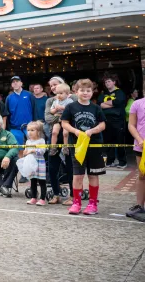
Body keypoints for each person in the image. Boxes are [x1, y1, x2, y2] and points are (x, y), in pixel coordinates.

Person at [61, 78, 106, 215]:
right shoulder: (71, 107)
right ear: (76, 91)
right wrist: (75, 131)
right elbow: (64, 123)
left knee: (93, 174)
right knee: (78, 175)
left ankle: (93, 204)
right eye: (82, 90)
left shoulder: (96, 108)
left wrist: (92, 131)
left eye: (88, 90)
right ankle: (77, 203)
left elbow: (103, 124)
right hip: (78, 146)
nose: (85, 93)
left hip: (95, 145)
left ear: (92, 92)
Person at [45, 76, 75, 205]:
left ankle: (73, 195)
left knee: (70, 166)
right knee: (52, 167)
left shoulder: (72, 98)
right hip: (54, 134)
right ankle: (56, 194)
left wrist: (61, 117)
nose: (53, 87)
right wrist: (63, 118)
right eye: (51, 86)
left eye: (55, 84)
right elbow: (48, 118)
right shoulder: (50, 100)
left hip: (69, 135)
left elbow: (74, 115)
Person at [99, 75, 127, 169]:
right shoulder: (104, 93)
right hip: (106, 121)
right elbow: (100, 104)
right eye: (106, 82)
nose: (107, 83)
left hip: (118, 121)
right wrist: (112, 104)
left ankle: (122, 162)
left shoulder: (120, 92)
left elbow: (118, 102)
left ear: (114, 82)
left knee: (119, 141)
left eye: (109, 81)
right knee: (108, 142)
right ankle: (110, 161)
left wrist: (107, 103)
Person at [126, 93, 145, 221]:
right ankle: (140, 205)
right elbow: (131, 125)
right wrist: (139, 139)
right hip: (141, 146)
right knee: (142, 174)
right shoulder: (137, 104)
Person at [5, 76, 34, 144]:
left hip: (30, 126)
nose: (15, 83)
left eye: (17, 81)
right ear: (11, 85)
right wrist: (9, 128)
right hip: (15, 128)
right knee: (19, 149)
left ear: (21, 83)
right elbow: (7, 114)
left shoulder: (29, 94)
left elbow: (34, 109)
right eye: (13, 82)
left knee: (32, 147)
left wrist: (34, 123)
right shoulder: (9, 98)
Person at [24, 121, 47, 206]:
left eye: (32, 130)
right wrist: (25, 152)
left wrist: (33, 150)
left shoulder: (41, 141)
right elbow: (26, 150)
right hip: (31, 162)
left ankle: (42, 199)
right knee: (32, 180)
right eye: (28, 130)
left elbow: (42, 151)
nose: (29, 132)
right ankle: (34, 197)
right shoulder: (28, 141)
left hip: (39, 162)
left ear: (38, 132)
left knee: (41, 181)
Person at [49, 83, 73, 149]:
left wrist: (63, 108)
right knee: (54, 132)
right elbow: (51, 111)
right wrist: (55, 109)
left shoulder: (70, 101)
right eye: (57, 93)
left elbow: (72, 110)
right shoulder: (55, 102)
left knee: (65, 133)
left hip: (66, 119)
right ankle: (53, 148)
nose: (59, 95)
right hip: (57, 119)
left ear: (67, 94)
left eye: (61, 93)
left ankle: (66, 147)